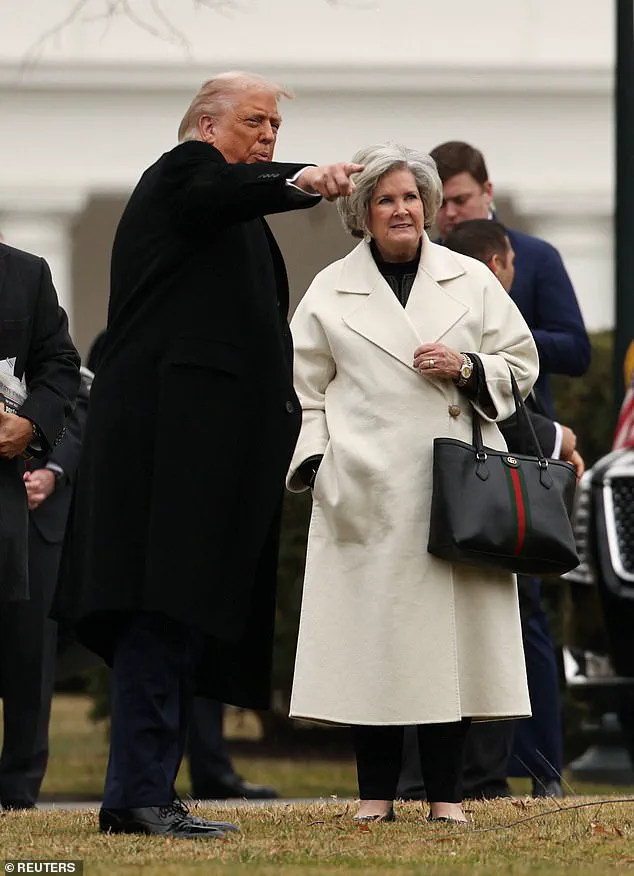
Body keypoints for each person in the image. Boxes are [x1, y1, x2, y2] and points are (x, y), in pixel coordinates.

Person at [52, 71, 363, 840]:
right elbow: (220, 192)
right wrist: (300, 180)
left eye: (276, 130)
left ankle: (147, 790)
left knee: (177, 621)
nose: (267, 136)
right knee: (160, 617)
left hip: (192, 458)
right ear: (205, 125)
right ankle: (136, 800)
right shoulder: (182, 174)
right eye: (255, 122)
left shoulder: (216, 203)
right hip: (167, 456)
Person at [286, 143, 539, 824]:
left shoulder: (470, 280)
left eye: (410, 198)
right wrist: (318, 461)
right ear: (362, 212)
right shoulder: (328, 290)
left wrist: (464, 366)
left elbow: (522, 366)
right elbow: (304, 391)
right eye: (385, 198)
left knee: (445, 647)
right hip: (363, 489)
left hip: (451, 487)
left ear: (428, 208)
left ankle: (447, 799)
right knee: (376, 646)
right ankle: (374, 796)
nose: (401, 209)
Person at [87, 330, 277, 803]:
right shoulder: (124, 342)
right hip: (144, 528)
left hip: (191, 511)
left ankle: (207, 771)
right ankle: (145, 782)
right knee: (152, 648)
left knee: (194, 643)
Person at [441, 219, 582, 799]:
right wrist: (556, 441)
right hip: (486, 494)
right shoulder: (474, 307)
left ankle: (468, 774)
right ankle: (481, 776)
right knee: (496, 626)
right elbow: (499, 395)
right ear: (496, 266)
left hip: (459, 491)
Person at [0, 237, 80, 806]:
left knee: (26, 654)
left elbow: (60, 366)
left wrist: (30, 426)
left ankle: (16, 789)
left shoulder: (26, 274)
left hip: (8, 499)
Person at [429, 141, 590, 417]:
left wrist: (503, 339)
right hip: (442, 422)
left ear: (487, 192)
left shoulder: (536, 255)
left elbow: (576, 352)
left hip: (522, 429)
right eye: (440, 203)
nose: (450, 213)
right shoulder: (425, 260)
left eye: (460, 200)